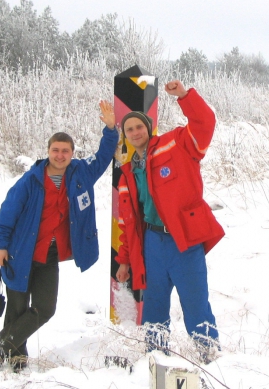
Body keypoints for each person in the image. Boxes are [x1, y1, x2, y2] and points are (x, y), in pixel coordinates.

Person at [0, 100, 117, 370]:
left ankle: (0, 344)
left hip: (50, 255)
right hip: (20, 252)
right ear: (48, 152)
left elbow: (104, 155)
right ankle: (16, 358)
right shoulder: (30, 180)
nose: (60, 155)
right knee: (17, 308)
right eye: (55, 150)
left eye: (65, 151)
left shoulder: (81, 172)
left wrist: (110, 128)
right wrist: (0, 245)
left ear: (72, 153)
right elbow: (7, 212)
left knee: (45, 308)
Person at [114, 80, 224, 359]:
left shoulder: (175, 143)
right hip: (152, 243)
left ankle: (209, 356)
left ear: (149, 128)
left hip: (183, 240)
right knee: (153, 308)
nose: (136, 132)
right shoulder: (127, 172)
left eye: (139, 126)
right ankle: (155, 358)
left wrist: (185, 96)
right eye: (129, 129)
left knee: (196, 304)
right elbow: (128, 222)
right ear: (125, 135)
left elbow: (204, 122)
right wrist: (124, 259)